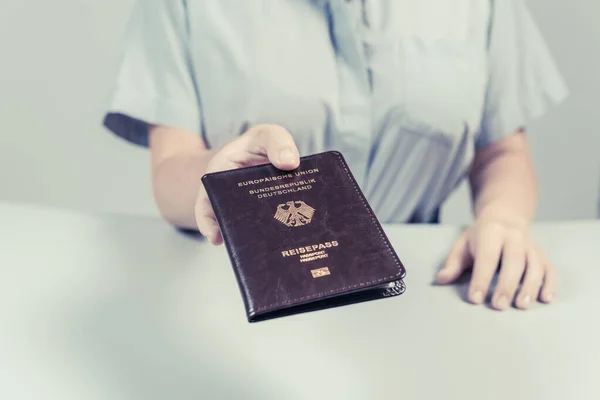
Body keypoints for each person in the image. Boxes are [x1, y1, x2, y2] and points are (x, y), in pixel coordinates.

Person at [104, 0, 568, 311]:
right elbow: (169, 170)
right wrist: (218, 180)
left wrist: (502, 219)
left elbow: (502, 151)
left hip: (428, 293)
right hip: (249, 301)